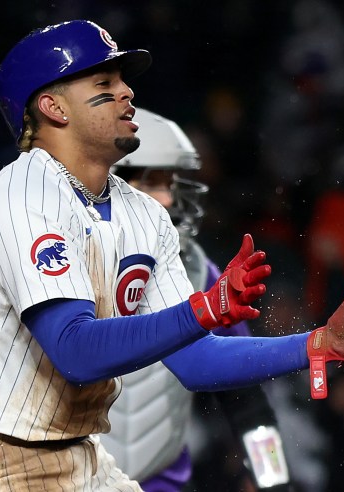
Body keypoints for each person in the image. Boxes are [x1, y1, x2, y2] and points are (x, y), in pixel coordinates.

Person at [0, 19, 344, 491]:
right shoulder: (20, 196)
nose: (128, 92)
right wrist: (204, 310)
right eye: (104, 85)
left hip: (83, 456)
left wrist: (316, 343)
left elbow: (200, 365)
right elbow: (74, 351)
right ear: (53, 107)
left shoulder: (146, 220)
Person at [106, 107, 292, 491]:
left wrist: (274, 480)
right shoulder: (53, 264)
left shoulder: (198, 274)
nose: (170, 198)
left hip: (162, 482)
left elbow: (247, 398)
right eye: (153, 183)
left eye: (171, 183)